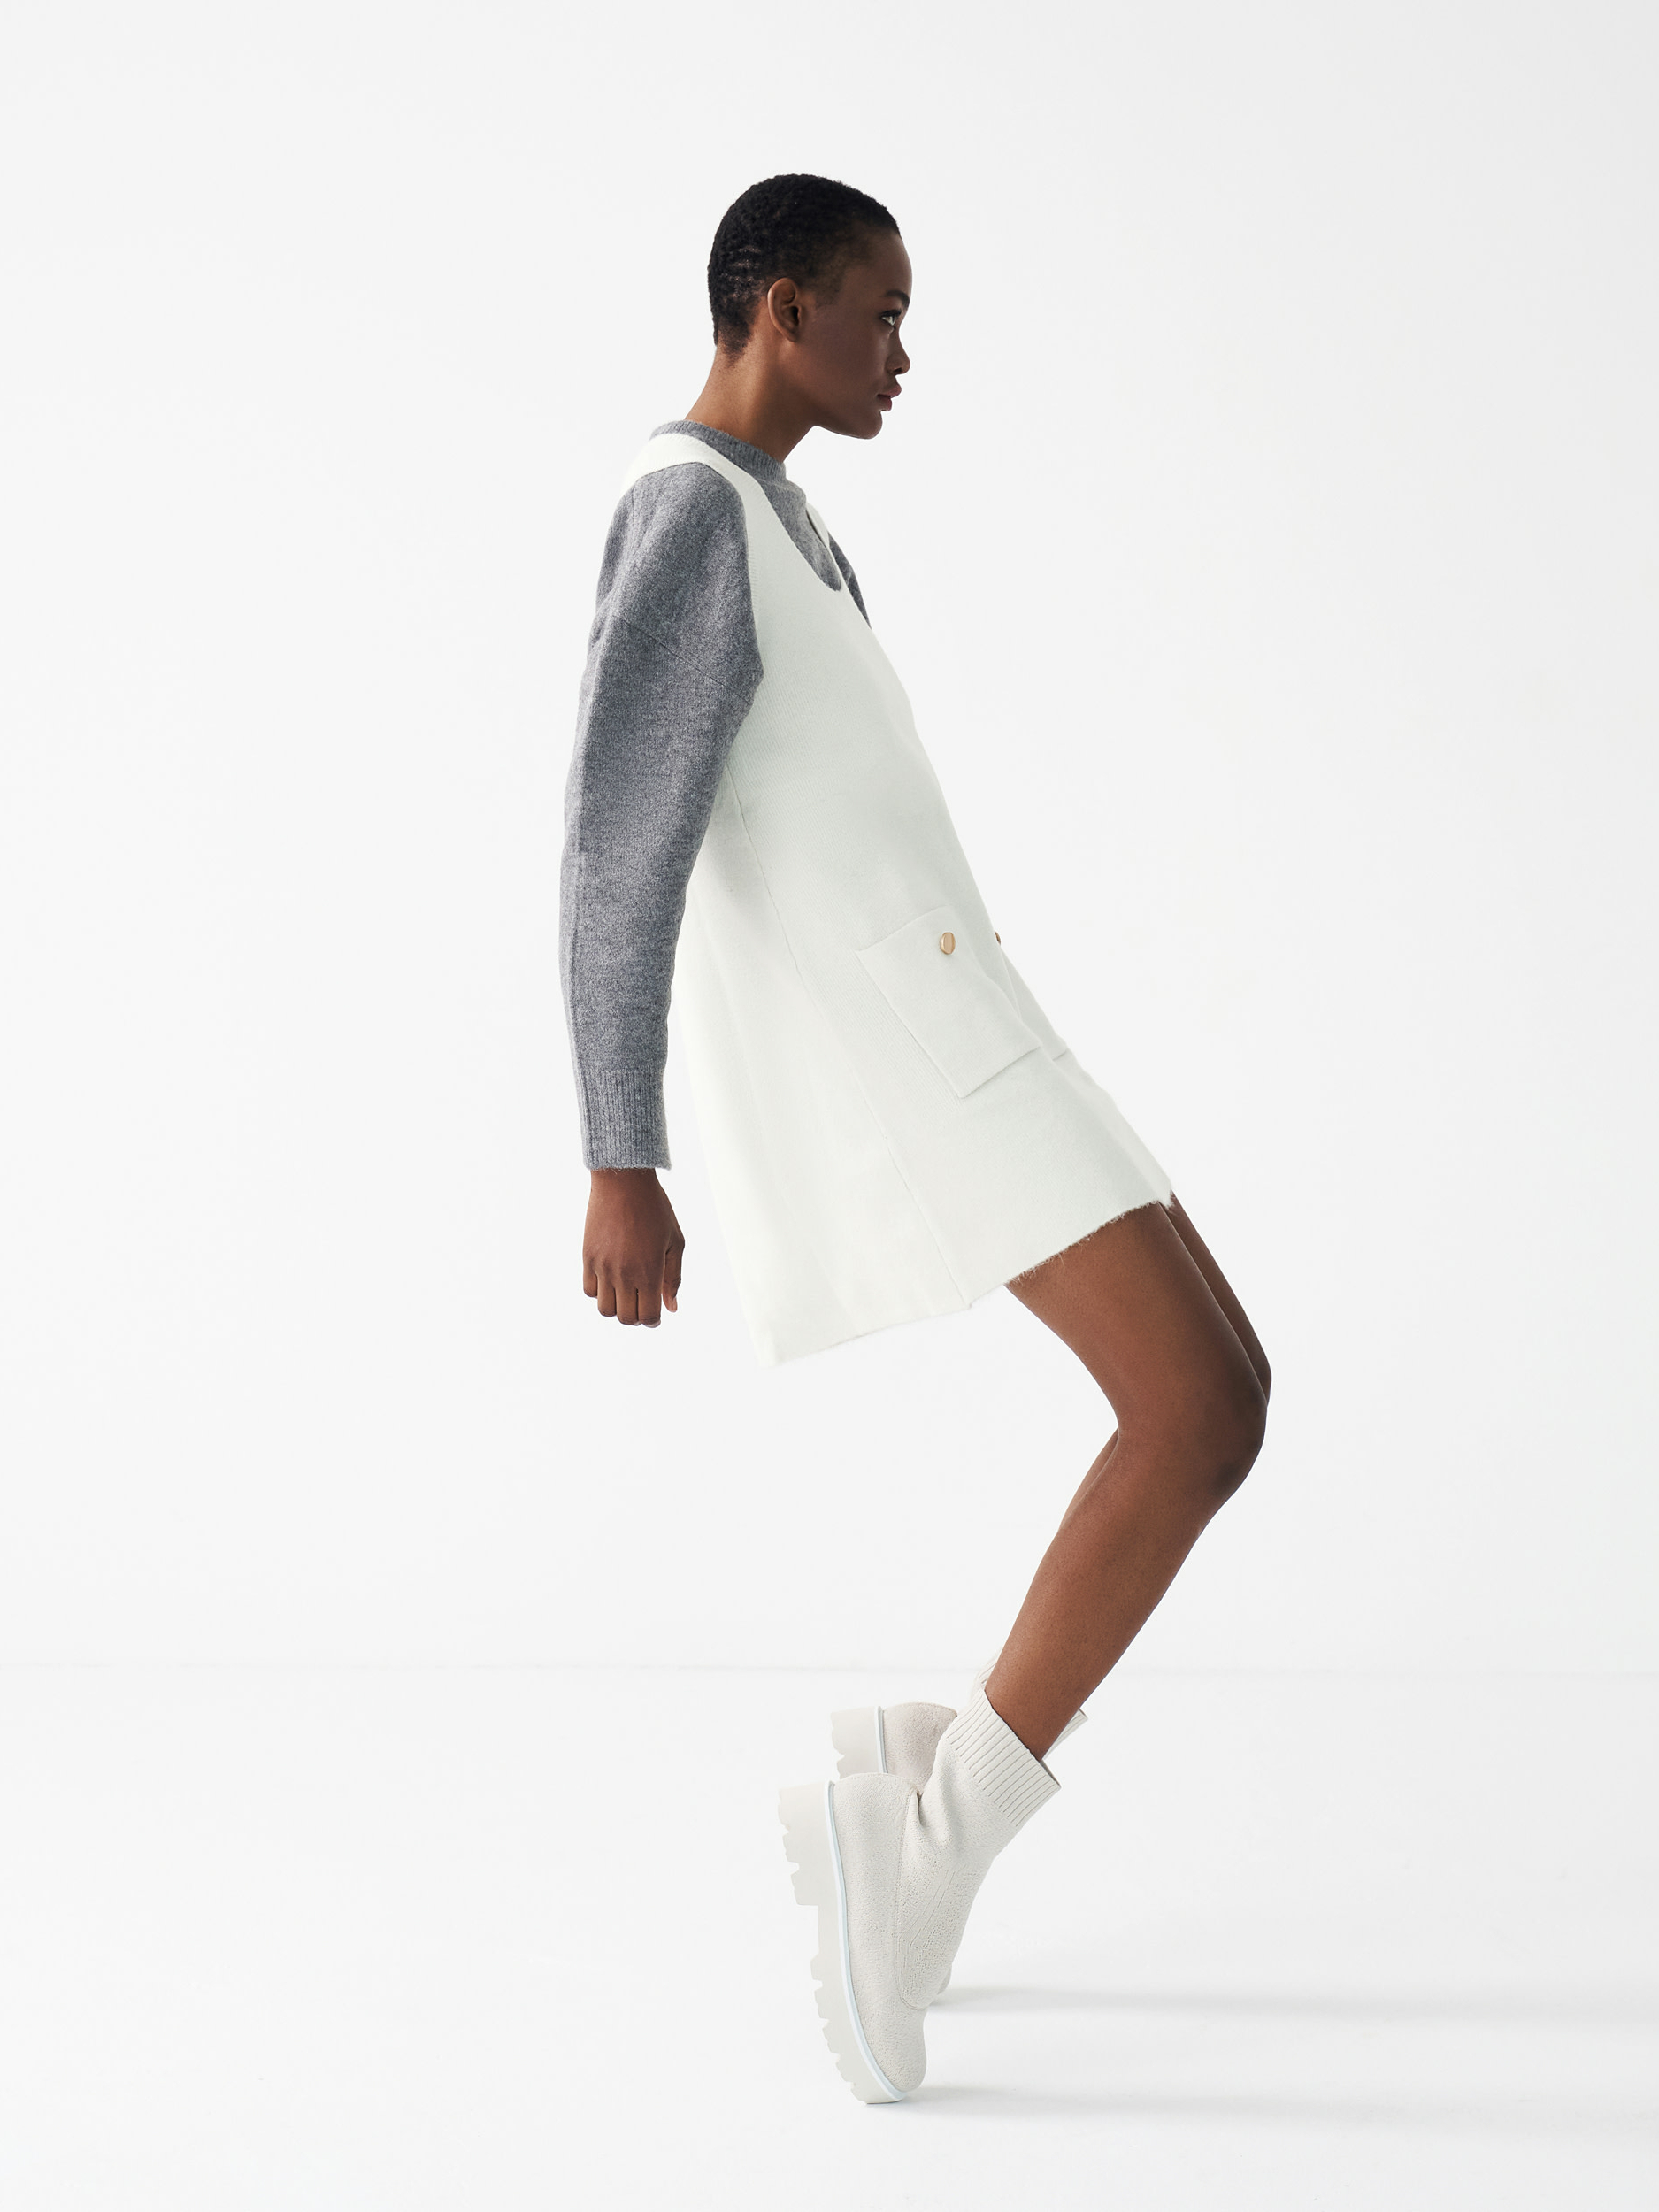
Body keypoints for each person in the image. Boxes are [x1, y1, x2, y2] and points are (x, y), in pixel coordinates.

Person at [559, 173, 1271, 2101]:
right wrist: (621, 1147)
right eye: (877, 314)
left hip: (968, 1013)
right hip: (912, 1046)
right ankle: (926, 1845)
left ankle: (915, 1784)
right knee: (1197, 1409)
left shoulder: (784, 519)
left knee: (1219, 1389)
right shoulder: (687, 512)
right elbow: (618, 846)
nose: (900, 354)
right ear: (779, 309)